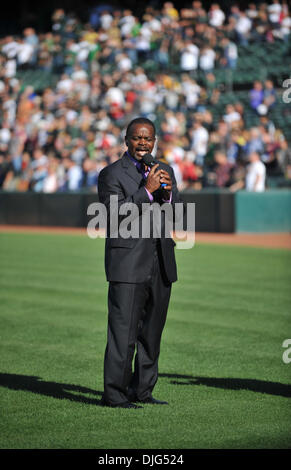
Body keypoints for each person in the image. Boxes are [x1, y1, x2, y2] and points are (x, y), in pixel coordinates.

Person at [97, 117, 183, 409]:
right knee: (123, 334)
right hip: (128, 264)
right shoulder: (111, 174)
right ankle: (115, 394)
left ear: (155, 140)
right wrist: (146, 191)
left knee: (151, 333)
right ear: (126, 140)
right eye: (137, 138)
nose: (143, 143)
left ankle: (142, 390)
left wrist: (169, 196)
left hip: (161, 263)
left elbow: (177, 216)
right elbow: (113, 216)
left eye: (148, 139)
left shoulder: (166, 170)